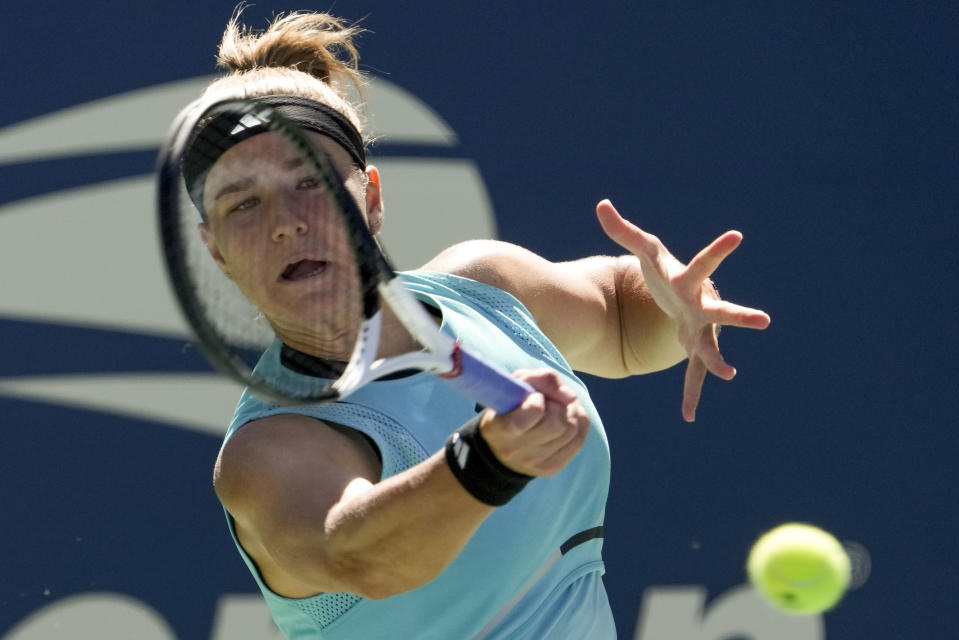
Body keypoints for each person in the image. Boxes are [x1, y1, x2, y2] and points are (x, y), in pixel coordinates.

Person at [190, 10, 771, 640]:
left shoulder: (488, 288)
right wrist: (486, 463)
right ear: (218, 249)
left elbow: (625, 320)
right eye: (243, 202)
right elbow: (361, 555)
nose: (285, 221)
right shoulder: (266, 453)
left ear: (372, 199)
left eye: (311, 181)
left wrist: (680, 301)